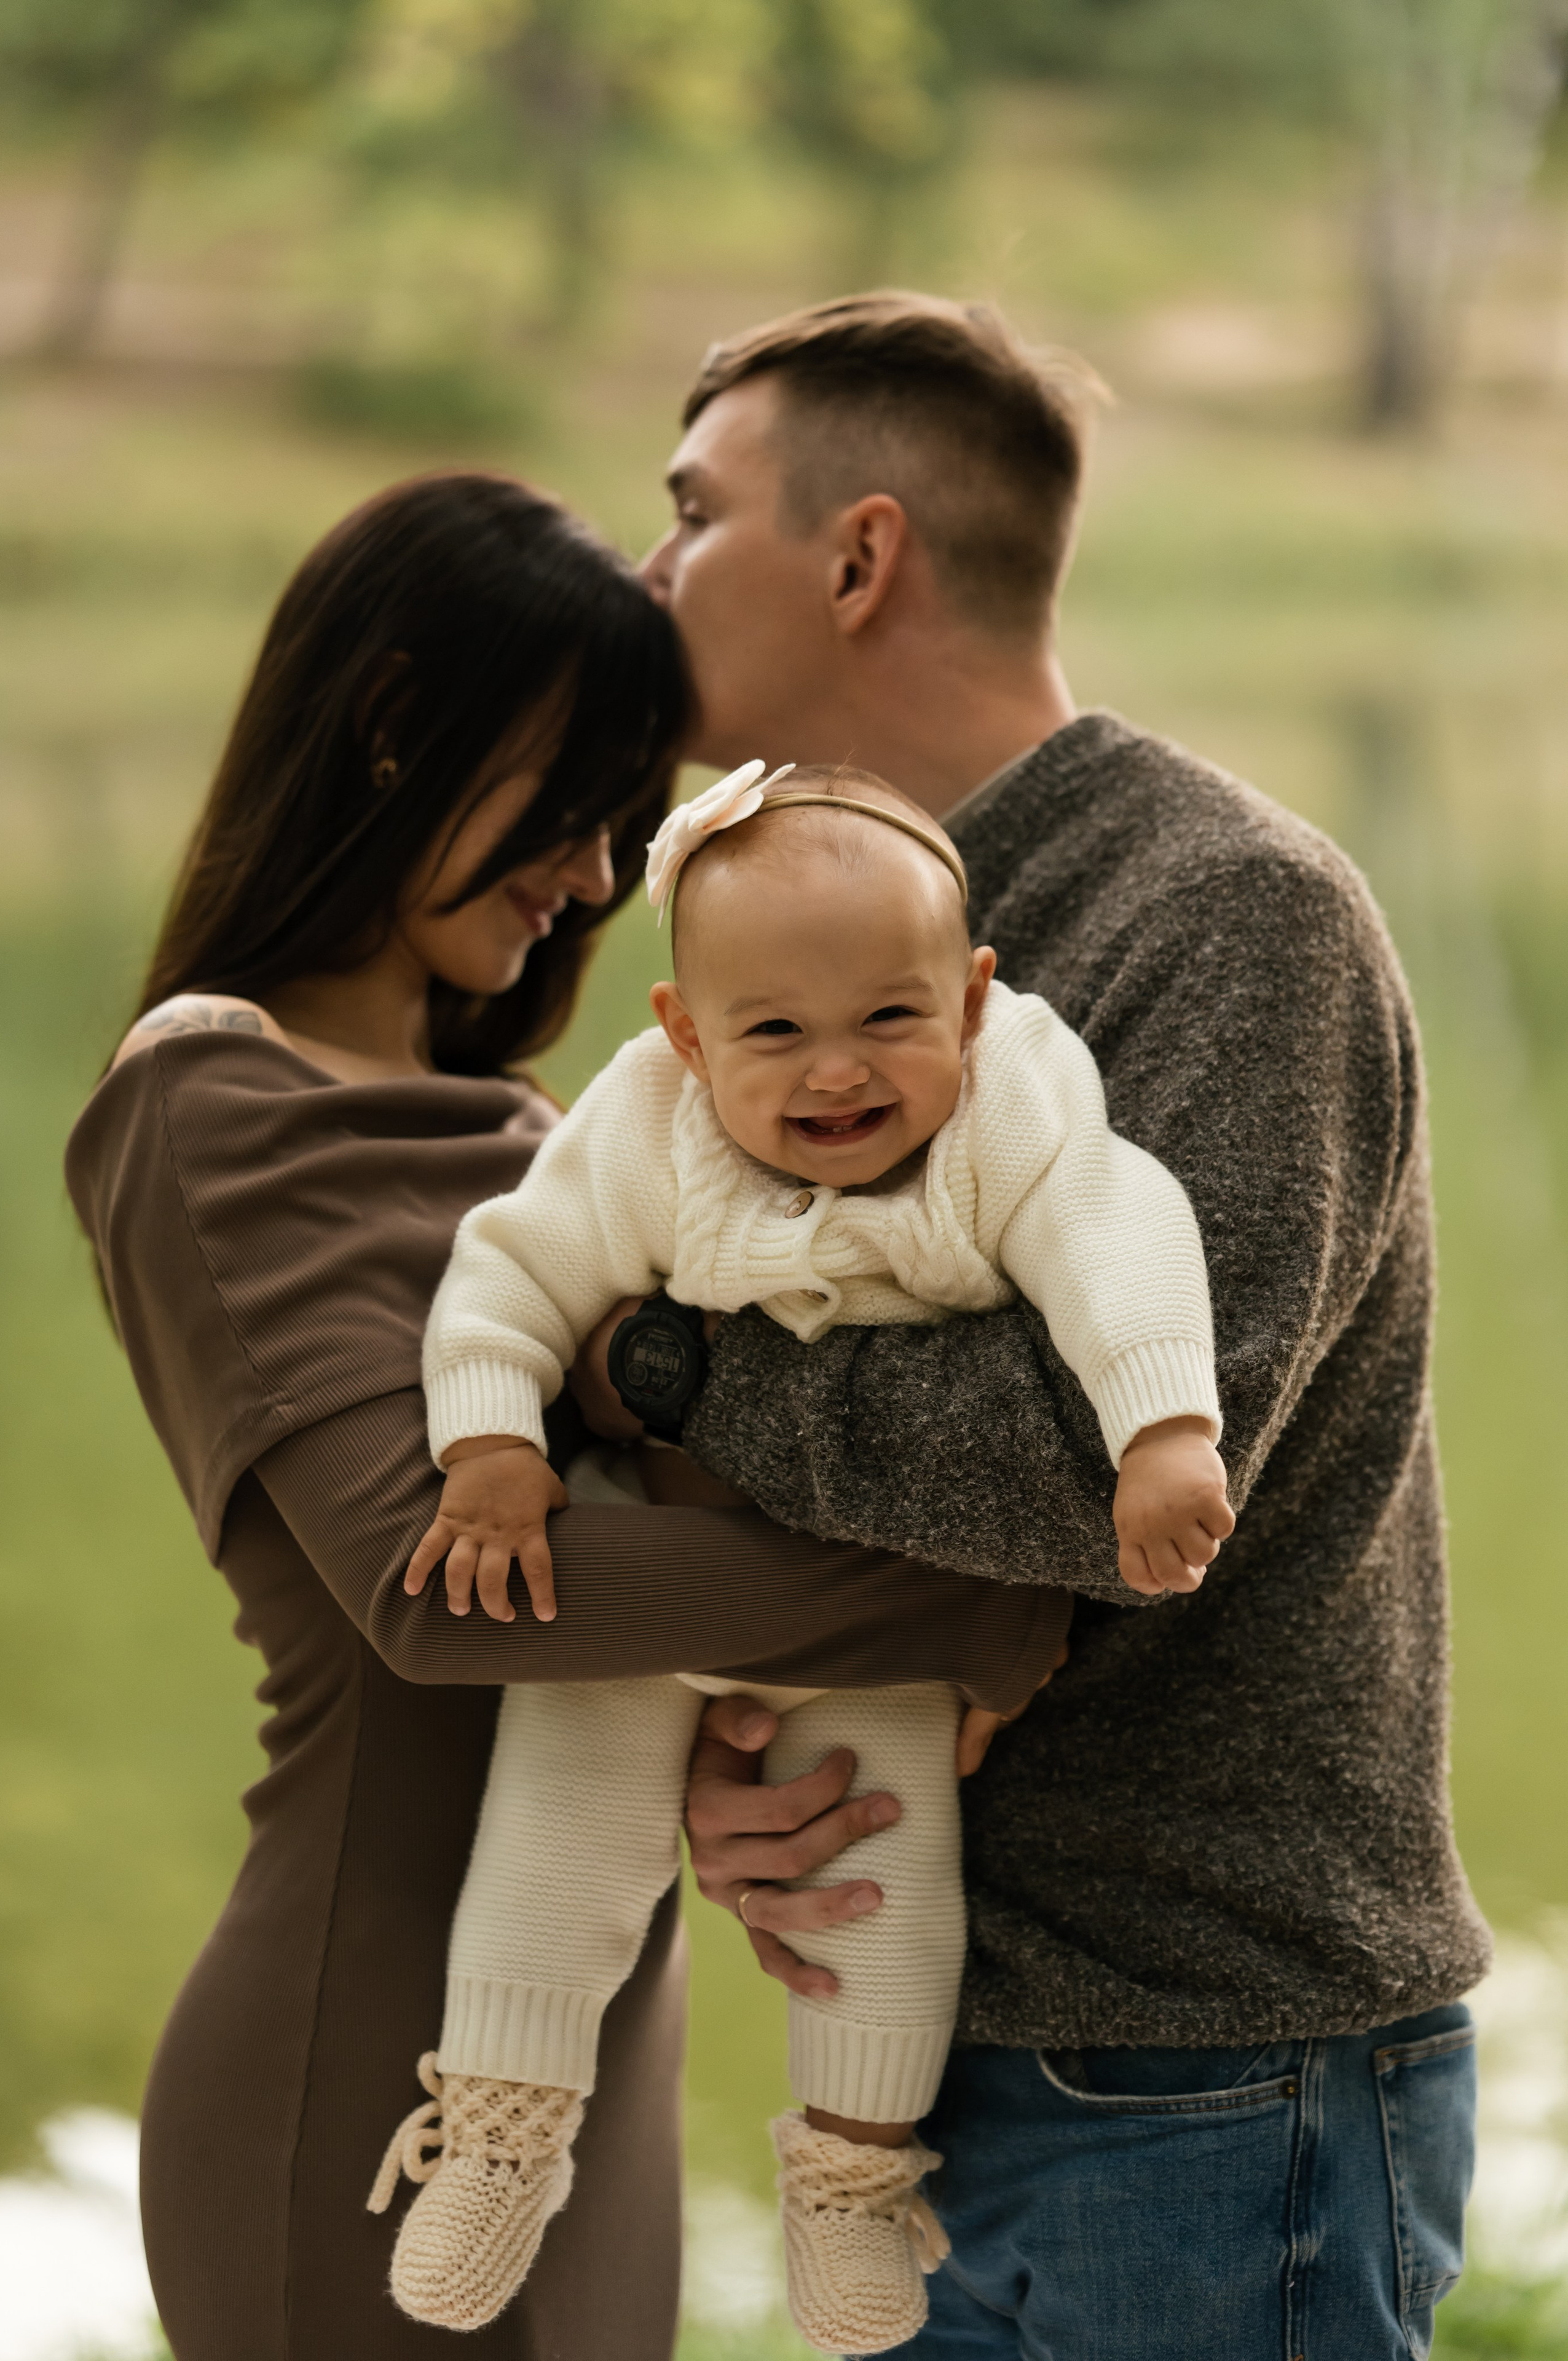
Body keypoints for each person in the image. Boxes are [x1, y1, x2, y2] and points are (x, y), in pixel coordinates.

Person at [63, 469, 1073, 2361]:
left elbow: (668, 1548)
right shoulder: (211, 1100)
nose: (604, 877)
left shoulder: (550, 1140)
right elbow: (441, 1594)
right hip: (362, 2053)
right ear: (390, 720)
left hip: (595, 2026)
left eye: (636, 817)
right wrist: (962, 1601)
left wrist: (741, 1745)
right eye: (575, 798)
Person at [601, 292, 1491, 2359]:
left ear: (858, 557)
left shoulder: (1228, 911)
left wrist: (667, 1368)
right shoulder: (770, 962)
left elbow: (1098, 1468)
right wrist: (730, 1742)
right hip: (908, 2043)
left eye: (689, 513)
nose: (647, 574)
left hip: (1210, 2070)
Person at [372, 759, 1228, 2347]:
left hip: (868, 1609)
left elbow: (1117, 1229)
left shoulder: (1010, 1109)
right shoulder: (643, 1124)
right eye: (772, 1033)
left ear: (970, 1000)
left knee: (883, 1898)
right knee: (556, 1846)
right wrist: (487, 1443)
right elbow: (512, 1276)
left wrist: (1162, 1425)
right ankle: (501, 2131)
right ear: (688, 1034)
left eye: (891, 1019)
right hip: (653, 1561)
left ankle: (848, 2181)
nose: (838, 1073)